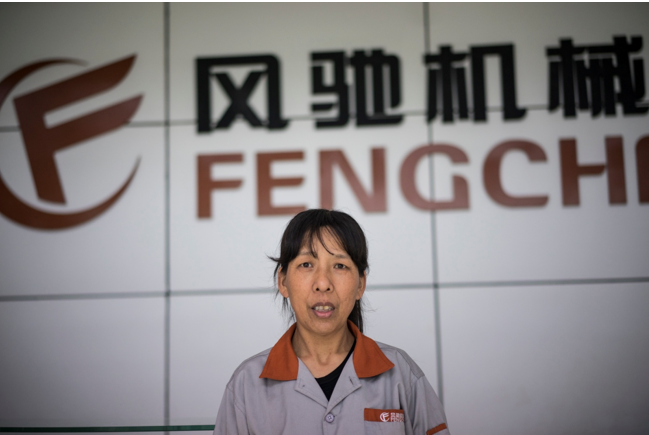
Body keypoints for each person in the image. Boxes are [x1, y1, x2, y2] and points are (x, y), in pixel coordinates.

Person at [214, 209, 450, 435]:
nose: (323, 283)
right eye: (307, 264)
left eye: (340, 266)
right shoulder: (246, 384)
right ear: (283, 282)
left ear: (360, 284)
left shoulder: (400, 374)